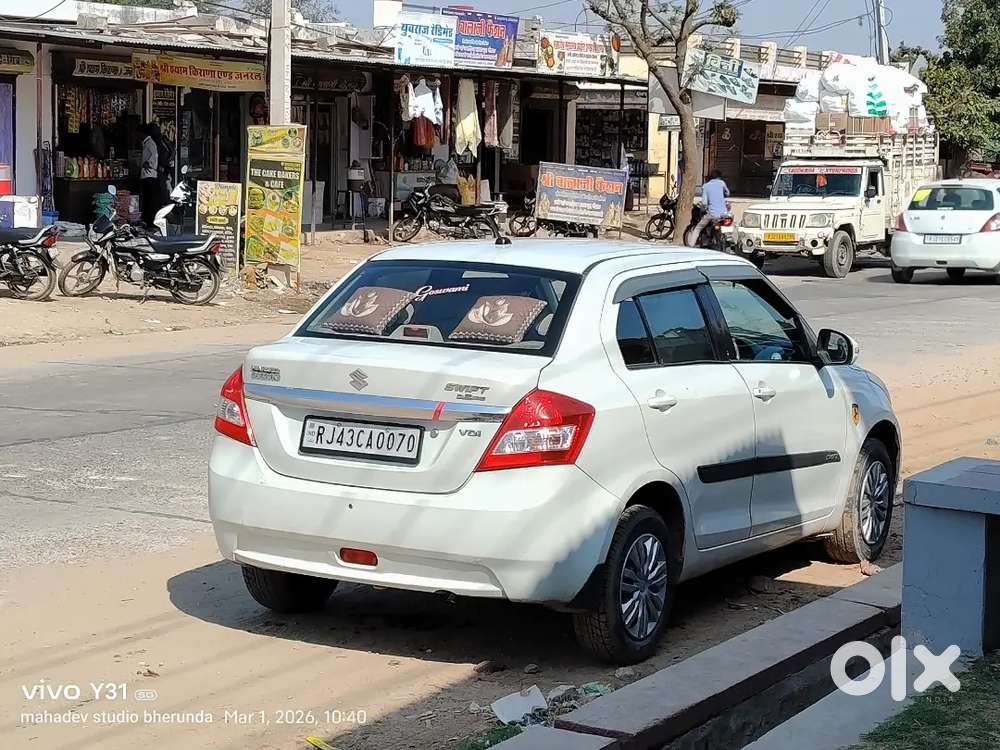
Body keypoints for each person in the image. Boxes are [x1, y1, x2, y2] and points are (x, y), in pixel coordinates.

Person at [686, 170, 731, 247]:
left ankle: (690, 246)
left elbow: (704, 203)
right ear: (719, 177)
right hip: (724, 214)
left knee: (698, 228)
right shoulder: (721, 183)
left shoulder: (706, 186)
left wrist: (703, 209)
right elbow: (728, 193)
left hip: (712, 214)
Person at [140, 123, 160, 227]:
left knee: (150, 200)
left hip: (150, 175)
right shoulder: (146, 143)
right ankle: (147, 220)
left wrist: (149, 163)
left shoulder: (150, 143)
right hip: (146, 175)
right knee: (147, 199)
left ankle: (151, 221)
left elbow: (154, 155)